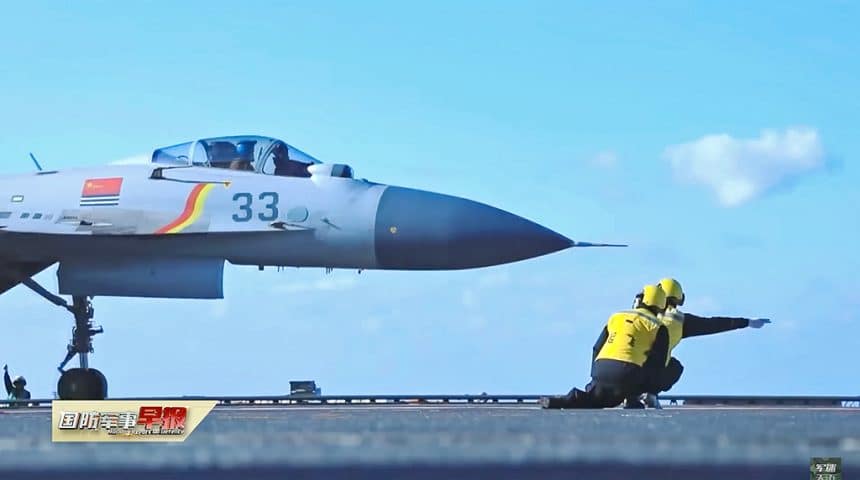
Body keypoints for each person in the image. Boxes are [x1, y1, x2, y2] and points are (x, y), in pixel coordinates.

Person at [633, 277, 772, 409]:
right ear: (679, 298)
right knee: (675, 366)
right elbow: (715, 324)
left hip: (629, 366)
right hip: (652, 372)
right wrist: (747, 322)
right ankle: (650, 393)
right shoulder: (679, 320)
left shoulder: (637, 315)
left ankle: (631, 395)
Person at [540, 284, 670, 409]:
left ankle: (563, 400)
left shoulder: (617, 317)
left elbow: (597, 347)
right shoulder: (658, 326)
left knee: (596, 399)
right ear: (661, 305)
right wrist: (649, 390)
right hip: (627, 373)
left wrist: (594, 378)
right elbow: (658, 363)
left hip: (601, 368)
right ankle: (633, 399)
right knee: (665, 368)